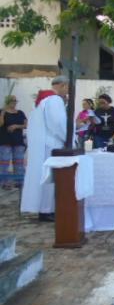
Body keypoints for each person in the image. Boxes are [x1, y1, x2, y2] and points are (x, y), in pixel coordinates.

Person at [20, 76, 68, 221]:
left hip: (42, 144)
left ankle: (44, 208)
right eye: (67, 88)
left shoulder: (42, 100)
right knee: (49, 178)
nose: (67, 92)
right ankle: (46, 210)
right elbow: (58, 123)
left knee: (43, 176)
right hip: (52, 144)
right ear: (62, 85)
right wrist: (69, 138)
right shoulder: (54, 100)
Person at [0, 95, 27, 190]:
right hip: (5, 141)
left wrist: (16, 126)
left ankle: (19, 182)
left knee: (19, 162)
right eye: (12, 101)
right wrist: (2, 114)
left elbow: (26, 125)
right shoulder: (2, 112)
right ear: (7, 101)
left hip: (18, 141)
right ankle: (4, 182)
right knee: (4, 163)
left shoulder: (20, 113)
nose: (14, 102)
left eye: (15, 101)